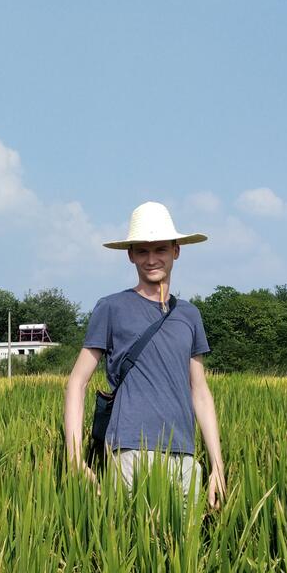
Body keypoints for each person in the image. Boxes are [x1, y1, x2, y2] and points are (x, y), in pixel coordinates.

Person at [64, 201, 226, 507]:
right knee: (128, 545)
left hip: (183, 453)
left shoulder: (189, 315)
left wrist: (216, 465)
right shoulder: (111, 307)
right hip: (128, 450)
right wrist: (74, 457)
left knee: (182, 548)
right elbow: (77, 382)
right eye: (142, 251)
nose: (151, 259)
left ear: (176, 251)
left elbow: (200, 390)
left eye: (160, 249)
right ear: (131, 255)